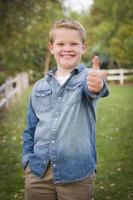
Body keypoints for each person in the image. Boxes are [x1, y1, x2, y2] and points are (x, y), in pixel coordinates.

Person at [22, 18, 109, 200]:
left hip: (76, 174)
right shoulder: (39, 87)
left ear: (83, 47)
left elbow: (96, 88)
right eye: (61, 43)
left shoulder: (86, 79)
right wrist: (27, 161)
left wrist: (98, 84)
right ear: (51, 47)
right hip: (38, 174)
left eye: (73, 44)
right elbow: (30, 128)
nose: (67, 48)